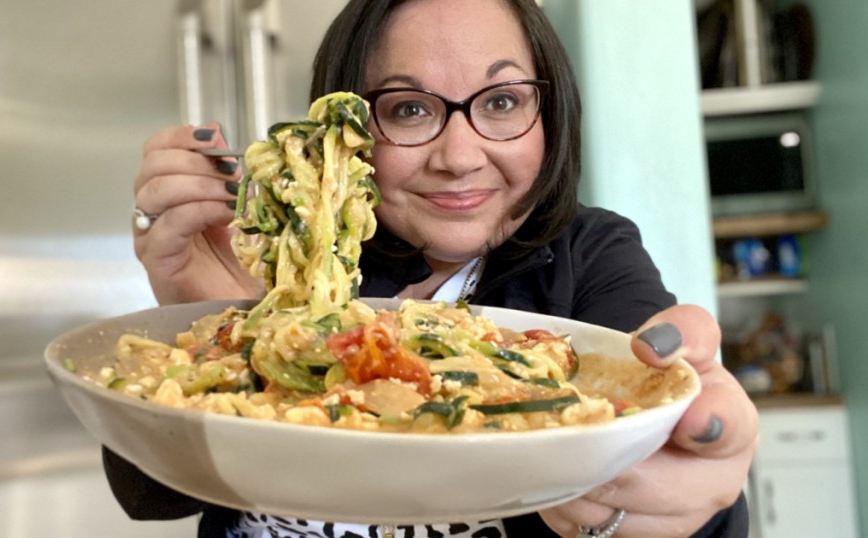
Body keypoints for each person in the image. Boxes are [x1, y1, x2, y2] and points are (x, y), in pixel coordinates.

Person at [115, 0, 759, 536]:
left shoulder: (591, 256)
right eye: (409, 109)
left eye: (502, 102)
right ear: (351, 131)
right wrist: (211, 325)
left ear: (550, 114)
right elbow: (151, 498)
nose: (459, 154)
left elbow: (671, 466)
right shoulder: (299, 264)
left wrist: (676, 500)